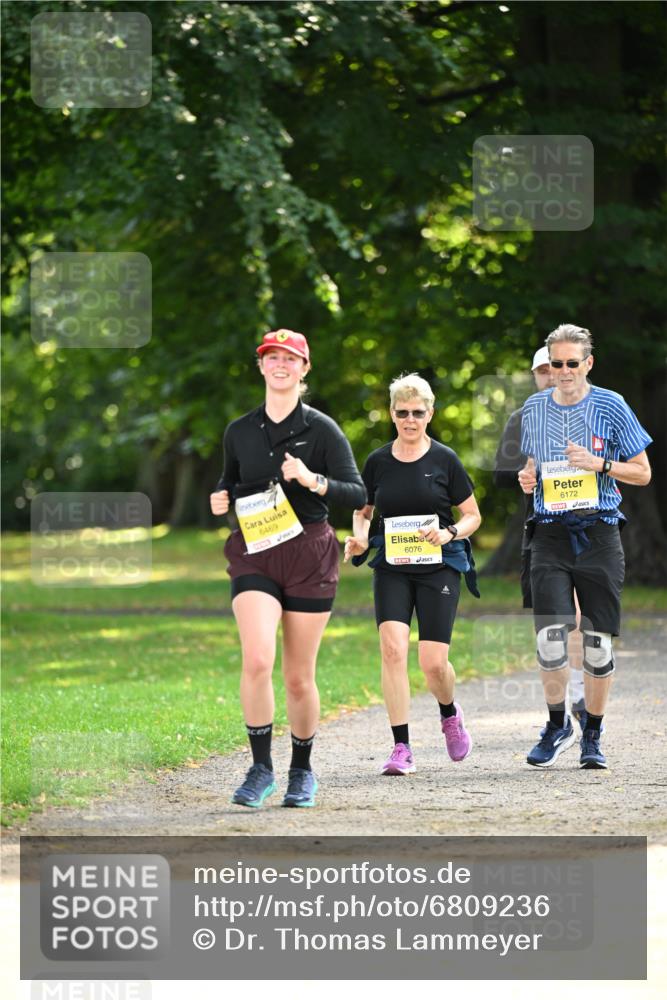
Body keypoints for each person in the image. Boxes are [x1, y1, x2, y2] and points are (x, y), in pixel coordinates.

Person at [210, 329, 366, 808]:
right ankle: (261, 768)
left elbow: (358, 493)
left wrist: (312, 480)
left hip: (308, 552)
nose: (280, 365)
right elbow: (229, 483)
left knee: (299, 677)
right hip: (255, 549)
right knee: (257, 659)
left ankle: (302, 771)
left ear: (304, 369)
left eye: (290, 359)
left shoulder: (322, 430)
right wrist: (219, 498)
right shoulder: (239, 430)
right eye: (271, 358)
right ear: (261, 366)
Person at [519, 324, 652, 769]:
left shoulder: (611, 405)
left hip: (598, 533)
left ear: (587, 363)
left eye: (572, 363)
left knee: (596, 644)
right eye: (556, 364)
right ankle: (557, 724)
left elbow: (643, 472)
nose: (563, 371)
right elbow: (533, 465)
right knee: (550, 638)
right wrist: (528, 477)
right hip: (551, 534)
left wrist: (600, 464)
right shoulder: (534, 408)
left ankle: (592, 735)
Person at [344, 373, 481, 776]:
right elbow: (362, 510)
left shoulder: (444, 460)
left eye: (417, 413)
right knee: (392, 649)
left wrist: (449, 532)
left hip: (437, 567)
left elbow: (473, 514)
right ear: (391, 413)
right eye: (402, 412)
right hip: (392, 568)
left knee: (433, 663)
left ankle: (449, 713)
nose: (409, 419)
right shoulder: (378, 462)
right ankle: (401, 746)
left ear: (430, 413)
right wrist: (360, 539)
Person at [494, 346, 587, 726]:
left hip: (587, 527)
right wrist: (523, 473)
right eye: (544, 370)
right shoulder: (524, 416)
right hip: (542, 529)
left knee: (582, 616)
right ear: (535, 375)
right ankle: (559, 709)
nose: (552, 375)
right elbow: (501, 473)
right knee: (552, 621)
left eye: (560, 367)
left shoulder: (590, 410)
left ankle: (581, 697)